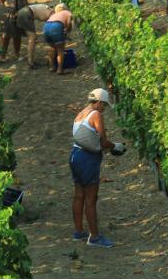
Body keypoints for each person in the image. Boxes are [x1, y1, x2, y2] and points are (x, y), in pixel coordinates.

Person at [69, 88, 123, 249]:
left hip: (75, 156)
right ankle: (94, 237)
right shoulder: (96, 115)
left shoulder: (81, 114)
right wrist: (116, 146)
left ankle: (78, 231)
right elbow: (103, 142)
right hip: (87, 160)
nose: (104, 109)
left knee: (79, 194)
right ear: (98, 103)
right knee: (91, 198)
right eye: (104, 105)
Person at [14, 3, 54, 68]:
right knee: (32, 38)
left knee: (32, 38)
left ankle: (31, 61)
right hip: (27, 13)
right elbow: (50, 24)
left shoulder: (47, 8)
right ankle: (30, 62)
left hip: (23, 12)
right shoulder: (52, 13)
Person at [45, 3, 73, 74]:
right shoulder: (68, 13)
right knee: (60, 50)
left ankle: (52, 67)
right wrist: (67, 30)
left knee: (52, 48)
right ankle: (60, 70)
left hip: (46, 26)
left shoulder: (54, 15)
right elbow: (69, 24)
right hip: (57, 26)